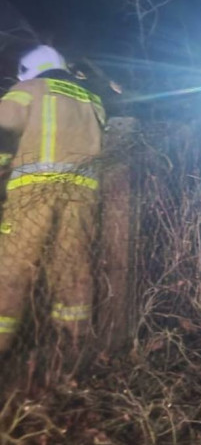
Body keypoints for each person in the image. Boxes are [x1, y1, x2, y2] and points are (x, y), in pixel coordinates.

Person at [0, 45, 106, 353]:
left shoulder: (29, 88)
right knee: (72, 267)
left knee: (11, 268)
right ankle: (73, 348)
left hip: (34, 193)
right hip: (82, 195)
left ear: (28, 69)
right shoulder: (91, 98)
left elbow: (2, 127)